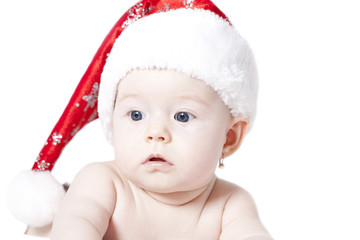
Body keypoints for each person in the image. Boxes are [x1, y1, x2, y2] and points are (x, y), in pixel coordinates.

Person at [8, 0, 273, 239]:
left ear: (229, 137)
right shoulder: (103, 183)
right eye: (136, 115)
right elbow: (76, 225)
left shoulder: (230, 205)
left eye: (182, 116)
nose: (156, 133)